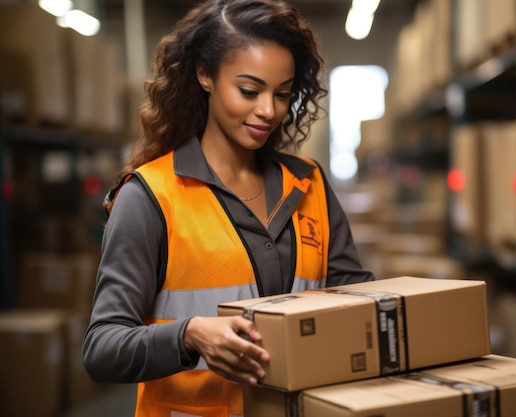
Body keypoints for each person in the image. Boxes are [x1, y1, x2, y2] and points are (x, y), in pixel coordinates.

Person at [82, 0, 374, 416]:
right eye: (249, 91)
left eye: (283, 94)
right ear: (205, 75)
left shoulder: (309, 184)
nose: (268, 110)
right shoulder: (150, 196)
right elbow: (101, 348)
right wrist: (188, 335)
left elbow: (360, 304)